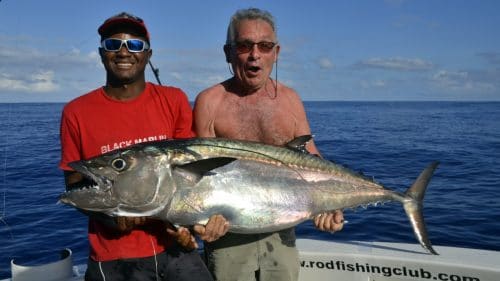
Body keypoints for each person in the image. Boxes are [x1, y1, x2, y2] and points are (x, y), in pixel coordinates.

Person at [193, 7, 345, 281]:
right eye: (244, 45)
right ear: (228, 52)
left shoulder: (290, 100)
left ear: (276, 52)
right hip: (229, 234)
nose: (255, 55)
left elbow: (311, 158)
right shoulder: (210, 102)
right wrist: (200, 221)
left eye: (264, 46)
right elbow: (200, 175)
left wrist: (330, 203)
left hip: (281, 228)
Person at [59, 12, 213, 281]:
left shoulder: (173, 99)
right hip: (114, 256)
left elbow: (189, 175)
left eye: (134, 45)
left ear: (148, 54)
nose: (123, 52)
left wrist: (188, 225)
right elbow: (74, 184)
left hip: (174, 246)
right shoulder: (76, 112)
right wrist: (110, 218)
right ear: (101, 53)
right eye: (112, 44)